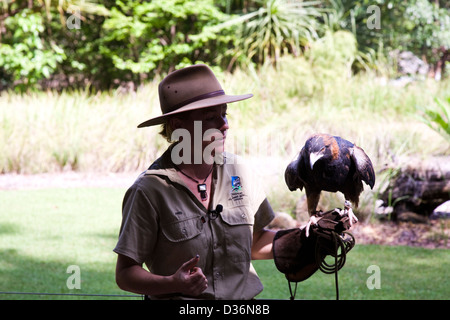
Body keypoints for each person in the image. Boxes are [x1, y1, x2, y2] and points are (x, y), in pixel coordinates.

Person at [114, 64, 276, 300]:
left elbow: (256, 242)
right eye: (211, 117)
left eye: (224, 113)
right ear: (179, 127)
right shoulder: (150, 190)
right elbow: (125, 274)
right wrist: (172, 283)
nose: (225, 124)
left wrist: (307, 237)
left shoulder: (238, 172)